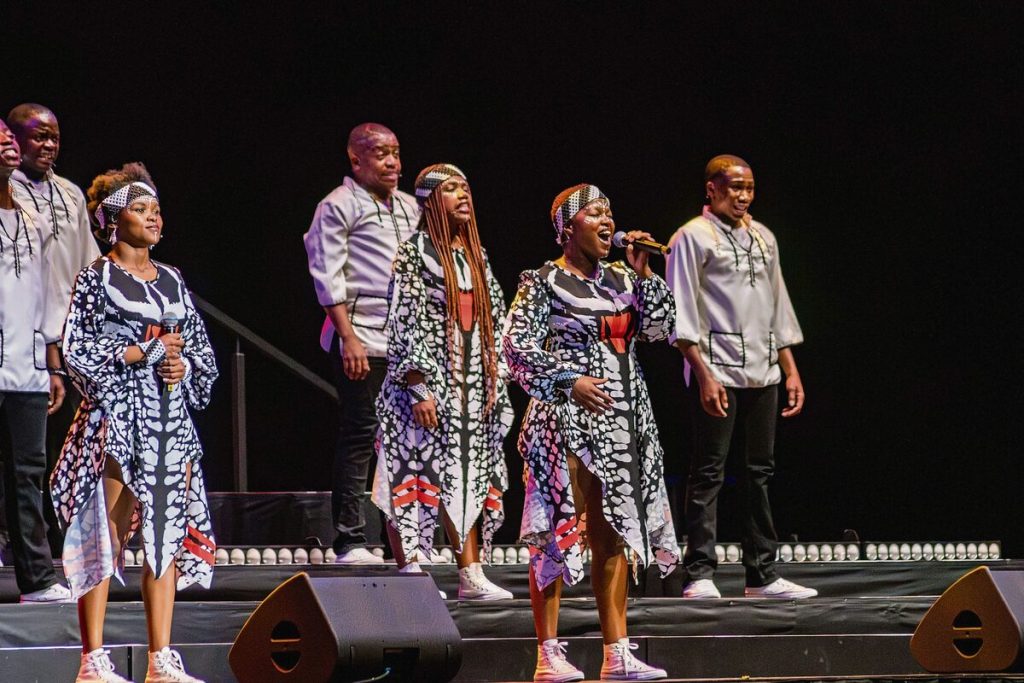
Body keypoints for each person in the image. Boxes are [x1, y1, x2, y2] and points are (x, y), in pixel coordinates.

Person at [504, 184, 677, 681]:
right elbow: (516, 348)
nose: (607, 220)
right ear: (567, 227)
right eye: (595, 213)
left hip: (625, 421)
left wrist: (645, 274)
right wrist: (569, 381)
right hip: (565, 421)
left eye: (610, 212)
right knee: (558, 535)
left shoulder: (624, 278)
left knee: (615, 534)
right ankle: (548, 653)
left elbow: (662, 329)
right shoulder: (542, 281)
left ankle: (616, 652)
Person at [54, 162, 217, 682]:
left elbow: (198, 349)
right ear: (112, 219)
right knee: (106, 531)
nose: (154, 218)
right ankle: (93, 659)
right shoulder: (95, 278)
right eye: (141, 209)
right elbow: (78, 349)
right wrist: (138, 352)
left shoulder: (172, 279)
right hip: (119, 416)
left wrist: (181, 363)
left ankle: (160, 658)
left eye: (157, 210)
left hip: (169, 414)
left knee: (166, 530)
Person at [665, 154, 816, 600]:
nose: (743, 195)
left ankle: (762, 574)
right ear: (711, 189)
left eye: (749, 187)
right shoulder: (692, 237)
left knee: (759, 473)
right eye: (734, 187)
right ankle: (700, 572)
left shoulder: (763, 237)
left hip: (763, 371)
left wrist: (791, 371)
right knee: (709, 471)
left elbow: (777, 306)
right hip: (717, 367)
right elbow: (682, 311)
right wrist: (703, 375)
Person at [372, 164, 513, 601]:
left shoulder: (476, 255)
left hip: (469, 384)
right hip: (424, 384)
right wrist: (419, 386)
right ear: (430, 200)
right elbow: (404, 322)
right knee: (414, 470)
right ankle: (411, 568)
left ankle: (470, 572)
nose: (463, 194)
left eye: (466, 187)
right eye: (451, 189)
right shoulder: (413, 252)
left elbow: (496, 318)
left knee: (465, 476)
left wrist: (495, 375)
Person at [303, 123, 420, 564]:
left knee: (408, 442)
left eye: (396, 152)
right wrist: (347, 338)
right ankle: (350, 539)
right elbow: (326, 270)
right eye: (381, 153)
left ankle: (409, 545)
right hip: (360, 335)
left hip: (405, 341)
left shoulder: (409, 207)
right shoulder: (338, 205)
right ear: (356, 159)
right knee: (362, 432)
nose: (392, 162)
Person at [8, 103, 101, 558]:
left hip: (68, 338)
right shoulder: (6, 193)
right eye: (38, 136)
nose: (48, 145)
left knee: (63, 446)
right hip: (23, 336)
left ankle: (60, 540)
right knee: (24, 449)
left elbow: (87, 263)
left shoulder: (71, 194)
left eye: (54, 137)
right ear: (15, 139)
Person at [0, 117, 71, 603]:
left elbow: (45, 292)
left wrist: (52, 359)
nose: (7, 142)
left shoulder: (32, 218)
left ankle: (38, 579)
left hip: (25, 367)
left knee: (28, 473)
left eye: (8, 135)